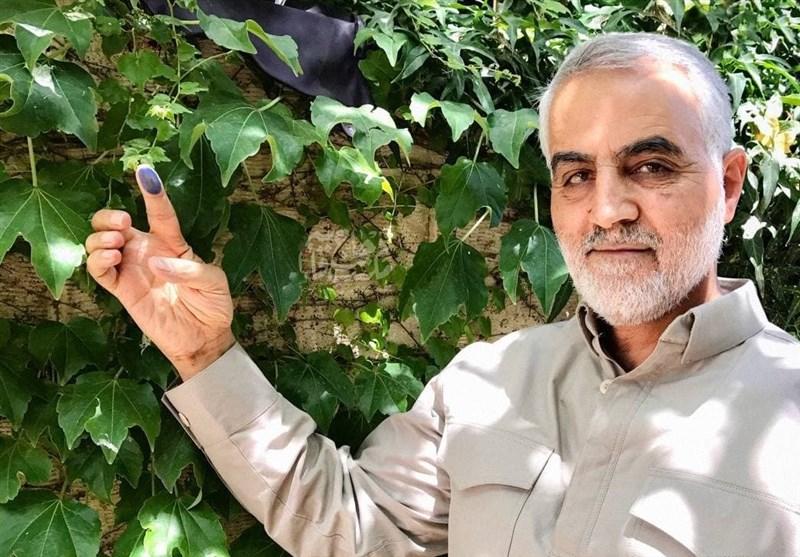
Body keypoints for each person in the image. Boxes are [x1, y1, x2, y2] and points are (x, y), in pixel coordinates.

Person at [85, 32, 800, 557]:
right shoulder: (488, 381)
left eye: (650, 166)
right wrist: (205, 352)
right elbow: (355, 525)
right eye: (577, 175)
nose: (607, 210)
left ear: (729, 183)